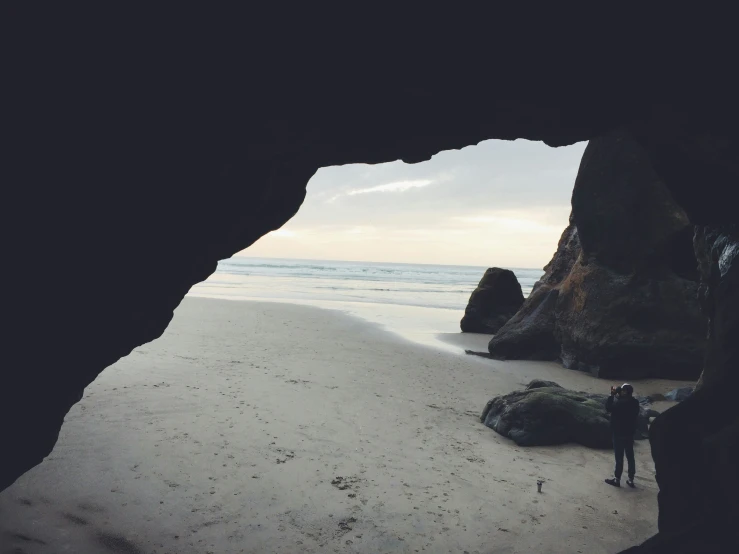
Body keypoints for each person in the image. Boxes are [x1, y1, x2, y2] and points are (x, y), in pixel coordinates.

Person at [604, 383, 640, 488]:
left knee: (619, 457)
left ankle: (617, 479)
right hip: (629, 433)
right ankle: (631, 479)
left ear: (625, 392)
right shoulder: (635, 402)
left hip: (618, 432)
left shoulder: (620, 403)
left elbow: (608, 408)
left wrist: (612, 395)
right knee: (630, 456)